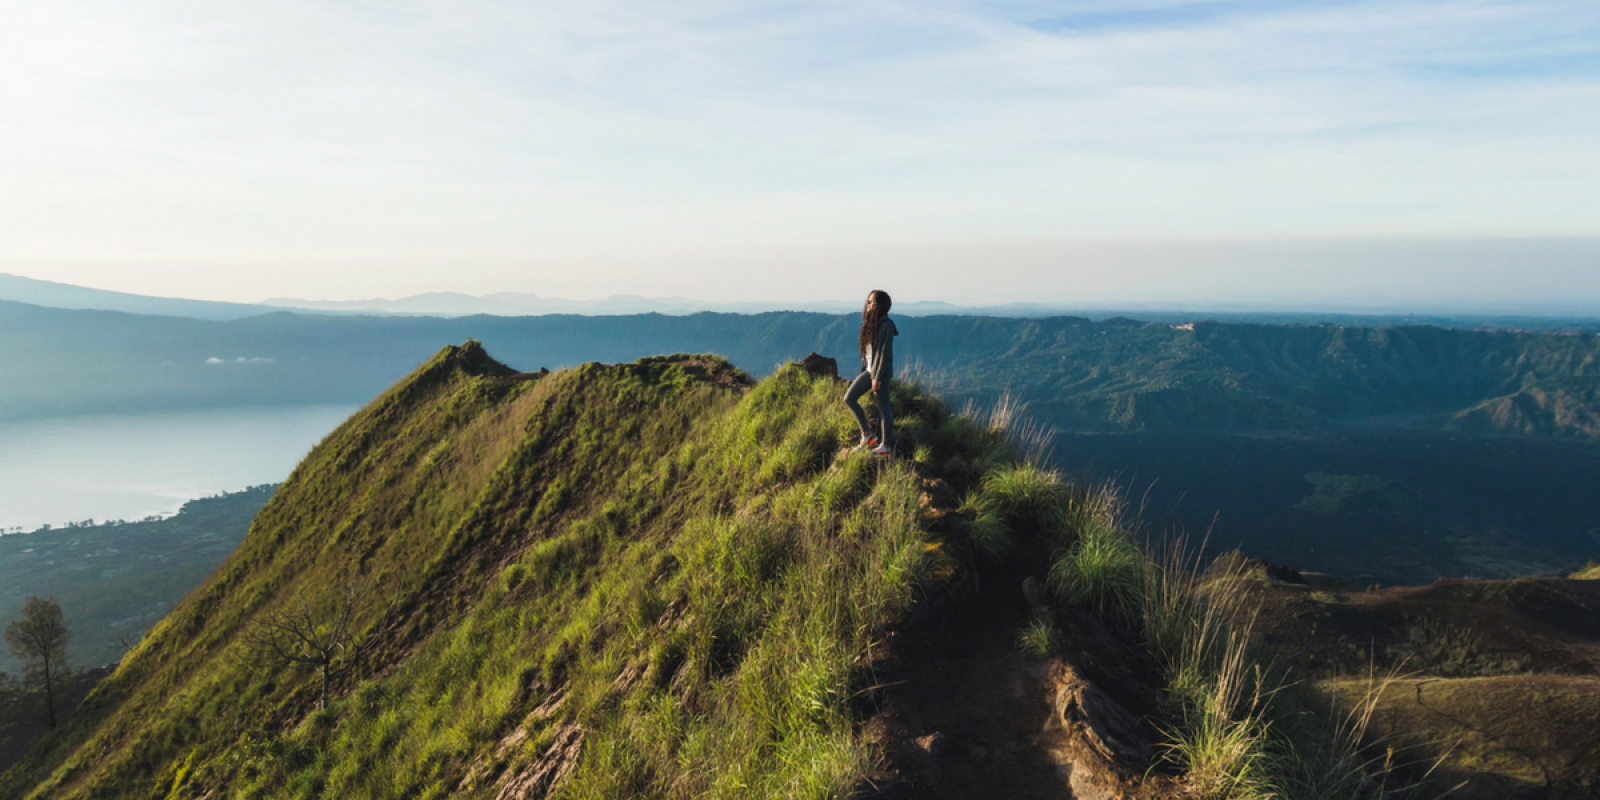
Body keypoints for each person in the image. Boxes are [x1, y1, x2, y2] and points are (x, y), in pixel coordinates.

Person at [845, 289, 898, 456]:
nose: (867, 304)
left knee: (884, 409)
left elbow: (884, 353)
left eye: (871, 302)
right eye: (867, 301)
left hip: (878, 374)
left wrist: (877, 377)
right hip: (869, 372)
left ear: (879, 305)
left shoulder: (886, 325)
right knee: (849, 398)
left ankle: (886, 446)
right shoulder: (872, 324)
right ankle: (867, 435)